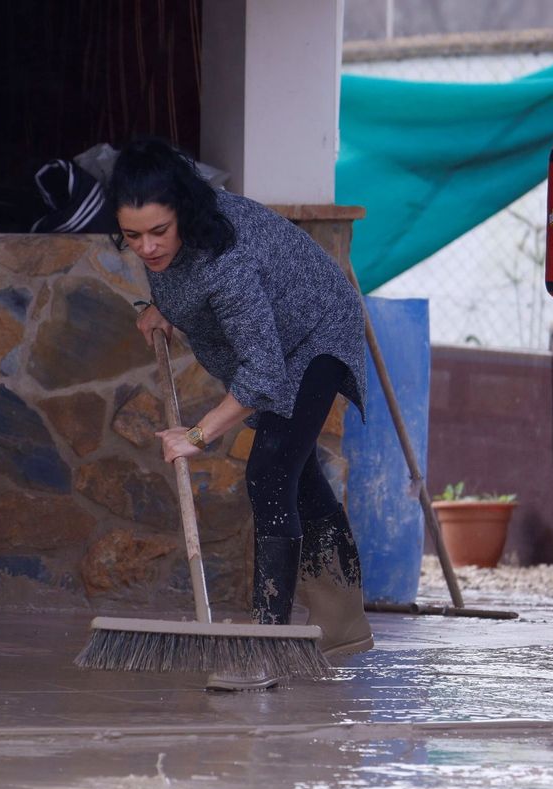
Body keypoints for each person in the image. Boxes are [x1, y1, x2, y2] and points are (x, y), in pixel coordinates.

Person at [107, 138, 374, 691]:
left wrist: (197, 435)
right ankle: (343, 624)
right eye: (133, 236)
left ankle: (266, 649)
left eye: (159, 231)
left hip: (315, 333)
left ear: (183, 212)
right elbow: (179, 280)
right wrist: (161, 306)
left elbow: (264, 375)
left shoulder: (225, 261)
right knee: (297, 474)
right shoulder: (175, 242)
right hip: (280, 335)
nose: (148, 247)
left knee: (271, 470)